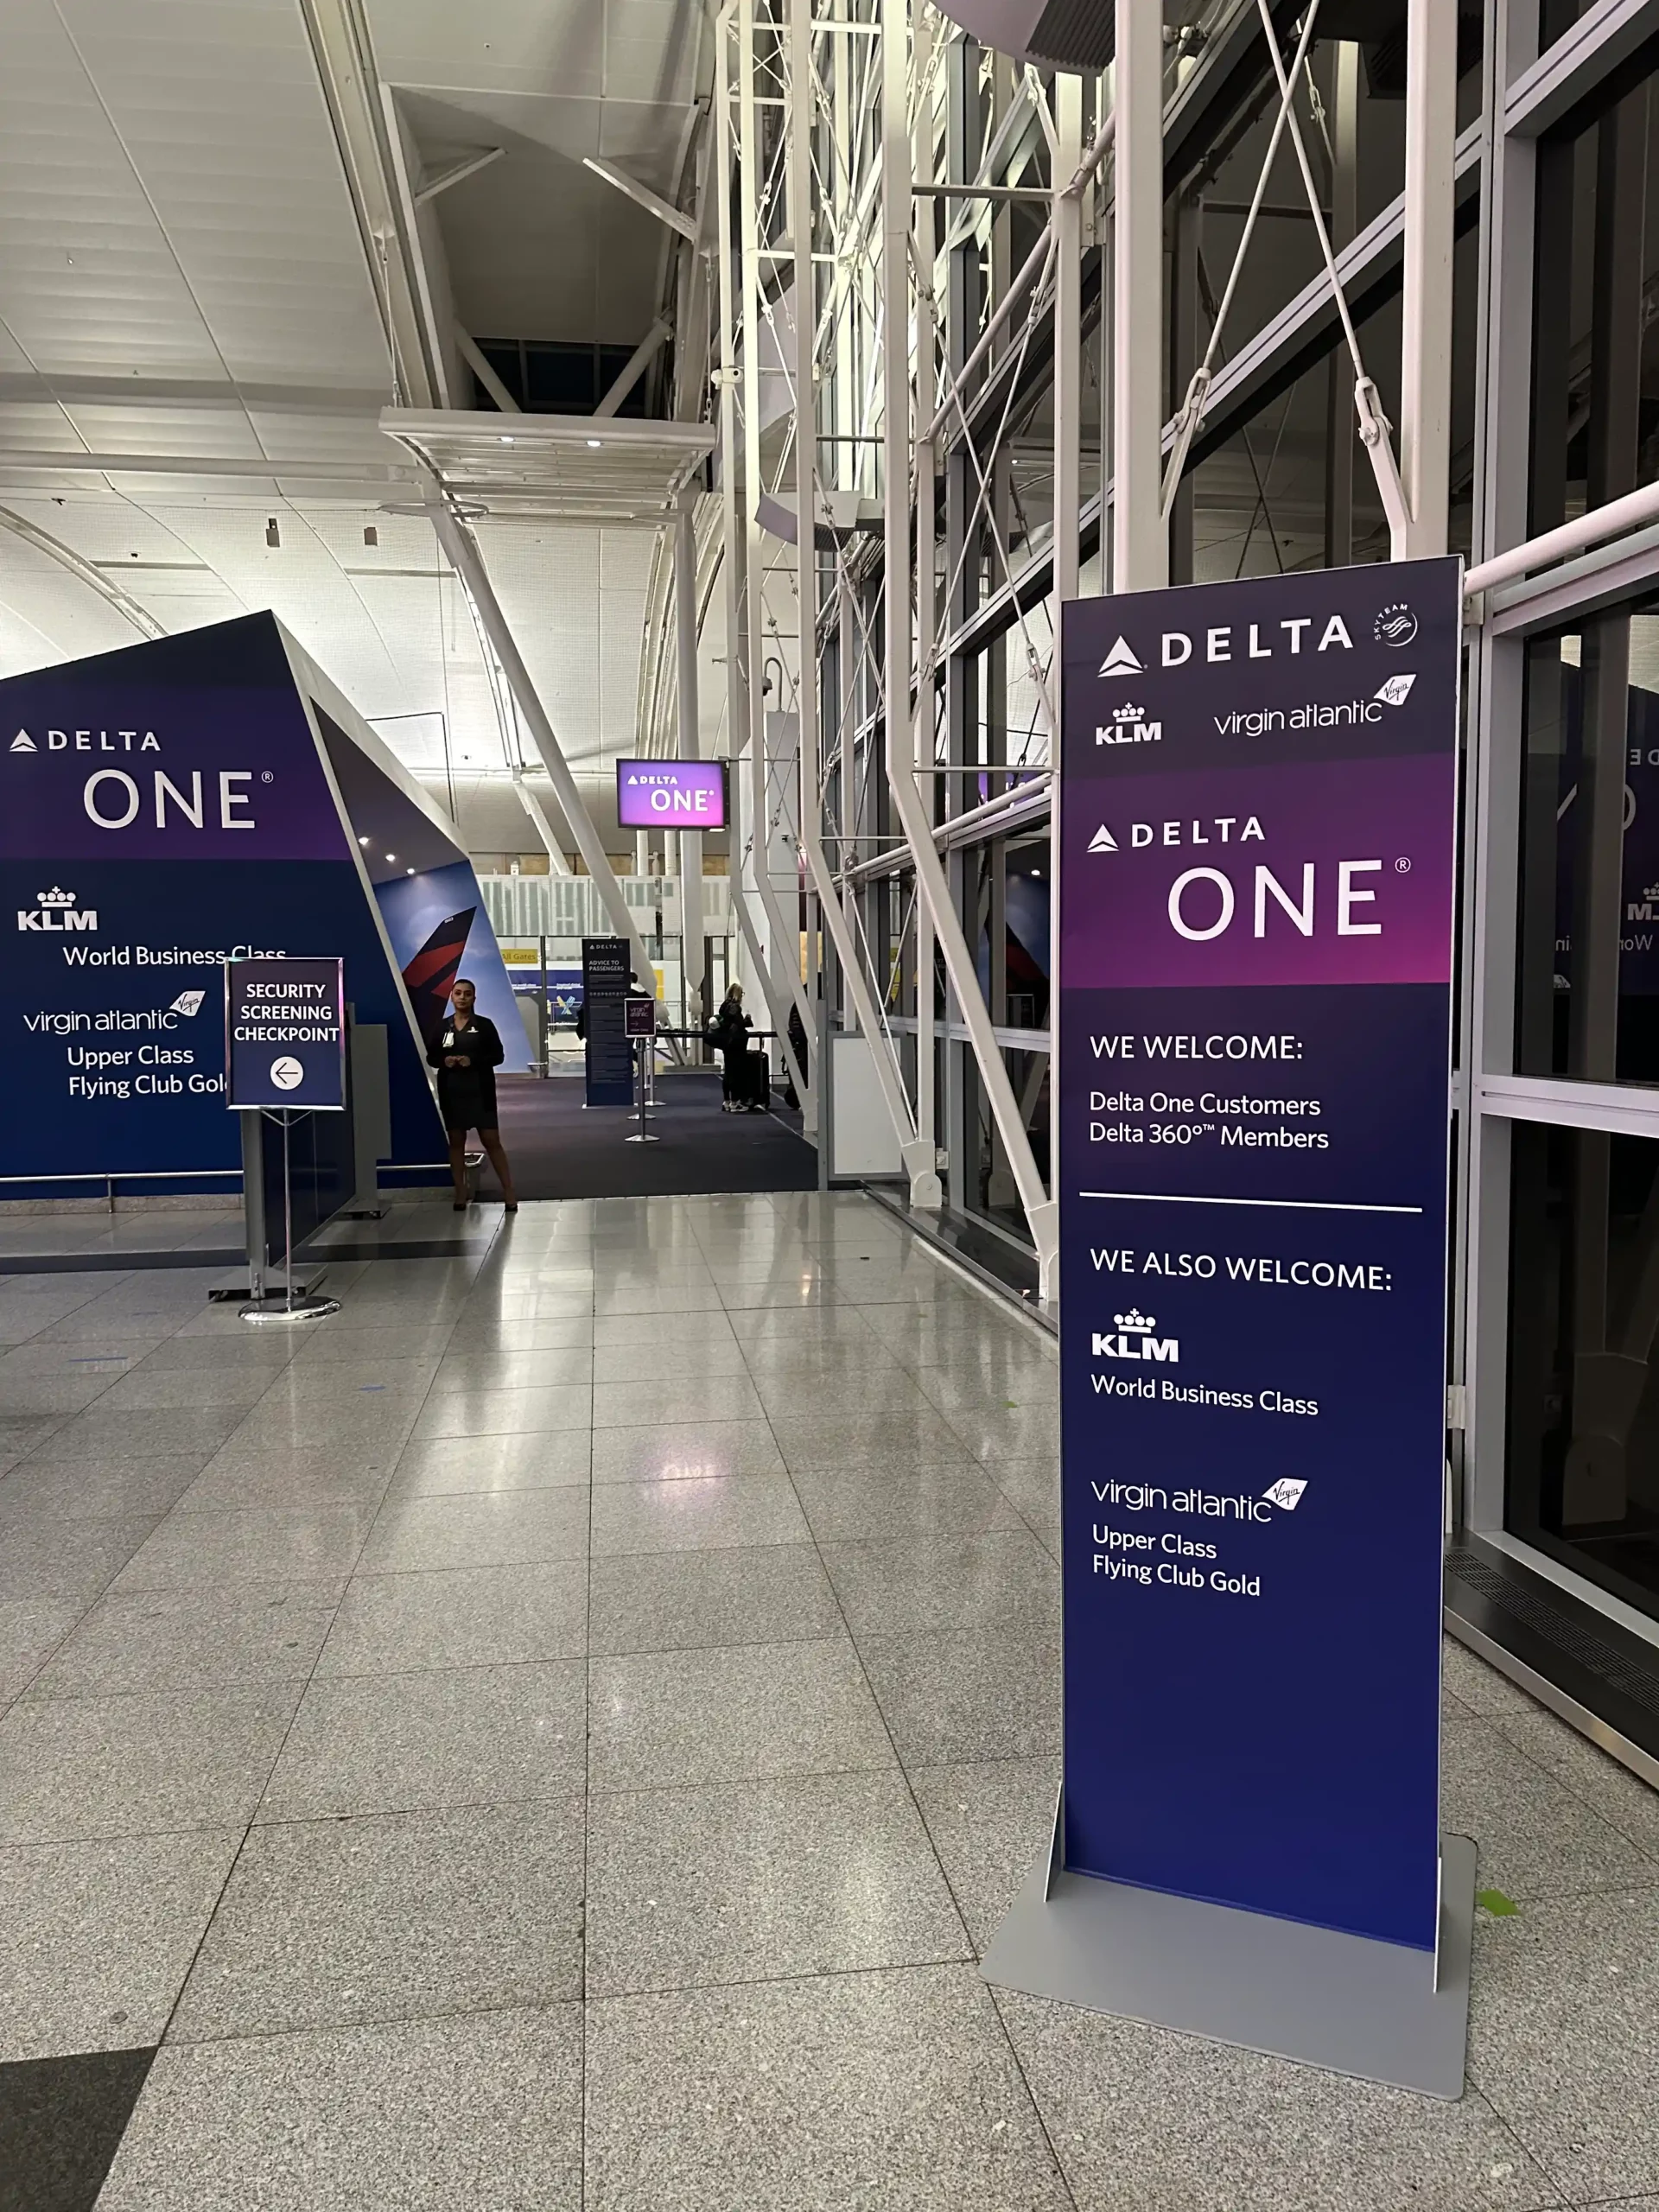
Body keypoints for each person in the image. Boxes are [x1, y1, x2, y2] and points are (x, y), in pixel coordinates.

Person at [429, 977, 518, 1211]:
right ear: (451, 996)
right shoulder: (442, 1027)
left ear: (474, 998)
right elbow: (431, 1057)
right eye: (458, 993)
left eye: (467, 994)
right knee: (457, 1143)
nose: (462, 998)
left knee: (492, 1141)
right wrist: (444, 1060)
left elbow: (498, 1056)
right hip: (452, 1090)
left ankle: (509, 1192)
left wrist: (473, 1060)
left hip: (480, 1090)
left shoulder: (485, 1025)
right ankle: (460, 1193)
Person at [709, 982, 754, 1112]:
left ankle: (727, 1101)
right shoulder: (734, 1007)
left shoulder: (724, 1006)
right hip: (736, 1043)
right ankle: (735, 1102)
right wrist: (747, 1020)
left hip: (726, 1042)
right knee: (736, 1072)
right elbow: (739, 1024)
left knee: (728, 1072)